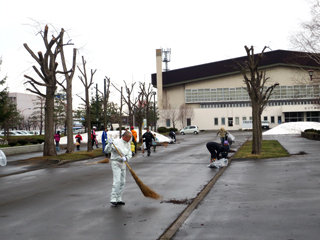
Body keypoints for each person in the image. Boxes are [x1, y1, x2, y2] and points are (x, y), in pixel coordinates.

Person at [104, 131, 133, 207]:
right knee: (117, 181)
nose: (129, 139)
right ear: (125, 137)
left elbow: (130, 153)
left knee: (123, 181)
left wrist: (126, 158)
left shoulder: (128, 144)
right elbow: (107, 150)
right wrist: (109, 144)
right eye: (129, 138)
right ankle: (113, 198)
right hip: (116, 162)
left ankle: (118, 198)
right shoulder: (116, 142)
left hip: (123, 163)